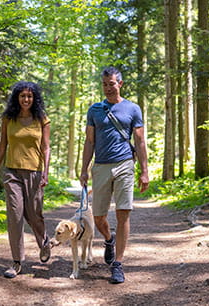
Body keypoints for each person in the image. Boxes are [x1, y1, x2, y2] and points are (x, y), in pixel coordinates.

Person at [79, 66, 149, 284]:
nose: (108, 88)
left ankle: (118, 264)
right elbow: (90, 141)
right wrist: (83, 169)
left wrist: (145, 171)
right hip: (100, 166)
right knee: (98, 217)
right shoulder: (94, 110)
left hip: (125, 164)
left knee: (123, 213)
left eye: (112, 84)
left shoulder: (133, 109)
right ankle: (109, 239)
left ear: (120, 84)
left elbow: (139, 141)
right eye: (105, 84)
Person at [0, 81, 51, 278]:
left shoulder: (42, 119)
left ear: (34, 98)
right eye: (22, 96)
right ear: (17, 98)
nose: (26, 99)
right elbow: (2, 147)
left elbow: (46, 147)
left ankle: (45, 242)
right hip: (11, 172)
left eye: (29, 96)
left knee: (34, 215)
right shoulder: (8, 118)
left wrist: (46, 172)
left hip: (34, 172)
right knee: (15, 215)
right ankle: (16, 261)